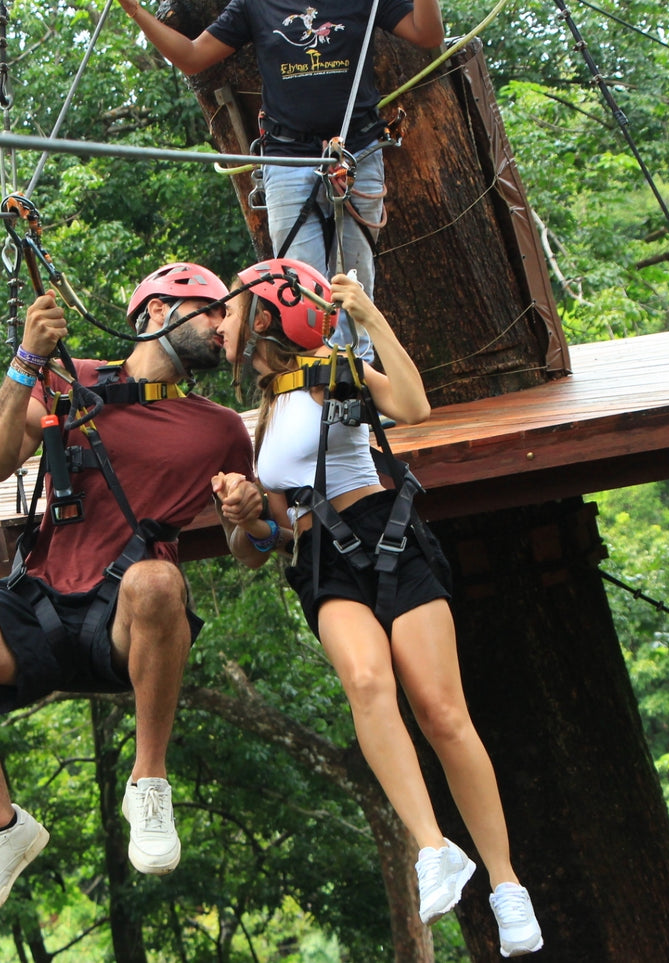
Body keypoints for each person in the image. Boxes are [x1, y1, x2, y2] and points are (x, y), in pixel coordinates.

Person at [210, 258, 544, 956]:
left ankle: (506, 883)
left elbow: (414, 408)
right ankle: (433, 849)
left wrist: (368, 318)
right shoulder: (259, 420)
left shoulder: (335, 370)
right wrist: (242, 516)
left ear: (264, 317)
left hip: (384, 536)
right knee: (366, 681)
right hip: (317, 558)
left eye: (231, 310)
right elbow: (260, 541)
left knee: (441, 711)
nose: (218, 323)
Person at [0, 262, 255, 930]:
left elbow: (253, 550)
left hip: (124, 618)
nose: (222, 327)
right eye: (211, 310)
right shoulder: (72, 379)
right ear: (157, 310)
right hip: (38, 599)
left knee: (159, 578)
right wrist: (26, 359)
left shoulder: (220, 430)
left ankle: (148, 783)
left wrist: (250, 517)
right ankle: (1, 826)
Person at [117, 0, 444, 362]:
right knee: (299, 290)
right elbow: (193, 56)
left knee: (354, 281)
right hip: (287, 158)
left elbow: (427, 34)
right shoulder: (256, 5)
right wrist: (135, 11)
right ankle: (315, 387)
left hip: (355, 153)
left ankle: (360, 387)